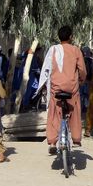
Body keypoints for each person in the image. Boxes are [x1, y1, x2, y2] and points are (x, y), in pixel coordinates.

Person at [37, 26, 87, 154]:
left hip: (56, 87)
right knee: (75, 109)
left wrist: (43, 86)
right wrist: (81, 81)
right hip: (72, 88)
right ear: (71, 37)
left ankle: (53, 141)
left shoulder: (53, 50)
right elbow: (82, 70)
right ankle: (76, 139)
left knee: (54, 112)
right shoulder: (76, 50)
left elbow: (46, 69)